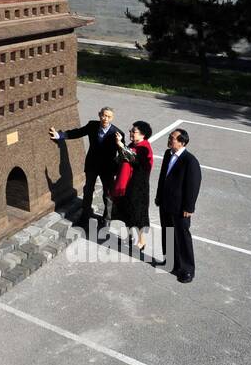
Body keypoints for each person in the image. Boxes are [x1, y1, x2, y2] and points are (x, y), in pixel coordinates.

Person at [49, 106, 123, 235]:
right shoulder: (92, 125)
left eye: (108, 116)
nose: (105, 118)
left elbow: (123, 154)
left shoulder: (118, 134)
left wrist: (120, 145)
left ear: (112, 118)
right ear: (99, 115)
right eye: (103, 115)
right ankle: (85, 216)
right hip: (92, 165)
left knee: (107, 195)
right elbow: (78, 132)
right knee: (88, 190)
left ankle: (106, 220)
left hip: (107, 169)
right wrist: (60, 135)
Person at [154, 128, 202, 283]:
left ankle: (187, 269)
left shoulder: (190, 161)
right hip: (166, 203)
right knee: (167, 233)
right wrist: (158, 196)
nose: (169, 139)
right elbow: (163, 176)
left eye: (172, 138)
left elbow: (193, 185)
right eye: (169, 136)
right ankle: (171, 263)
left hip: (181, 207)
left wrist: (189, 207)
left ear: (182, 142)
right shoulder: (169, 155)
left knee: (182, 237)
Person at [111, 120, 154, 253]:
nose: (130, 132)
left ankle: (142, 242)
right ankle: (130, 236)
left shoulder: (144, 147)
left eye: (133, 131)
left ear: (143, 135)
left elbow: (132, 158)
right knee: (127, 211)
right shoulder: (132, 144)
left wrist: (120, 144)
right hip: (127, 184)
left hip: (138, 187)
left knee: (139, 214)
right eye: (131, 130)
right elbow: (123, 157)